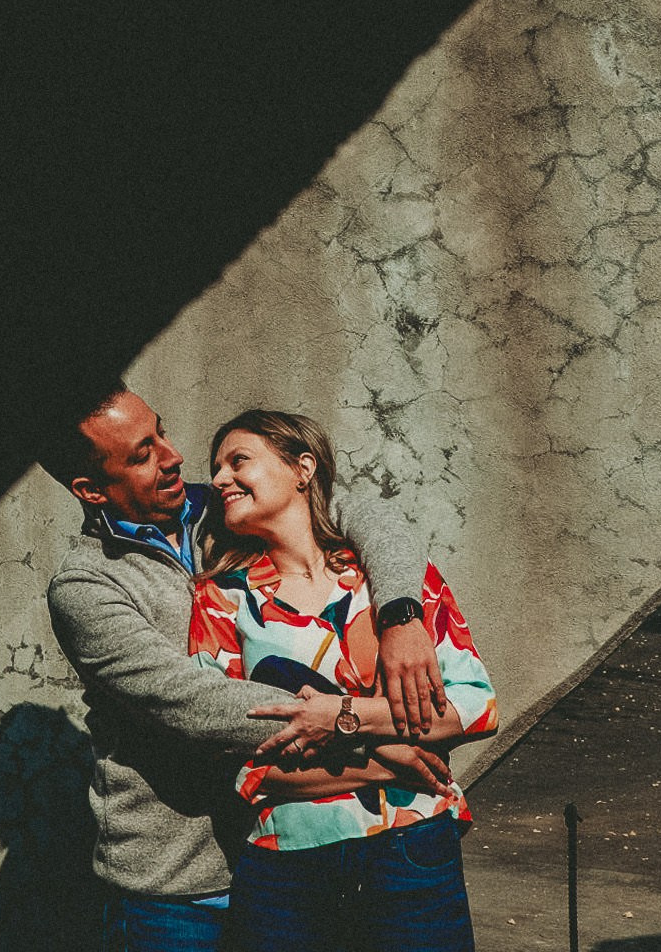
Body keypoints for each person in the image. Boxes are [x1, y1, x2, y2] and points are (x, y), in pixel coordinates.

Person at [43, 387, 458, 952]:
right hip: (182, 888)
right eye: (142, 454)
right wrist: (373, 742)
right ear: (90, 489)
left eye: (161, 433)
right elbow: (194, 703)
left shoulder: (221, 510)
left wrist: (401, 613)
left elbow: (361, 512)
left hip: (287, 853)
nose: (171, 457)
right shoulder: (86, 587)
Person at [190, 409, 496, 952]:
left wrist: (339, 718)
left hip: (412, 851)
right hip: (288, 868)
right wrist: (389, 758)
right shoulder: (222, 601)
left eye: (238, 461)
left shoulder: (396, 581)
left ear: (302, 468)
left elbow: (475, 707)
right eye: (216, 468)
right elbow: (233, 762)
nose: (218, 480)